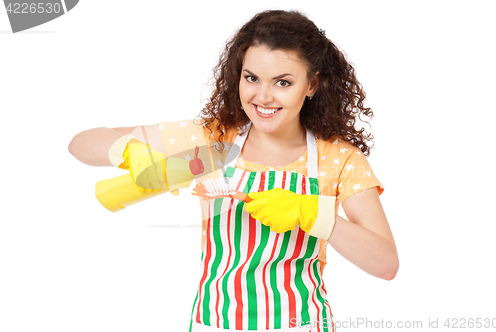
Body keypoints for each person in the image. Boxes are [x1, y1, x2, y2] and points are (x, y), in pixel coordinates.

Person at [68, 9, 398, 332]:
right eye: (251, 77)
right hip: (213, 323)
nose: (263, 96)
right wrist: (128, 150)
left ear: (311, 85)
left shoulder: (336, 159)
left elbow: (385, 264)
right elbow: (81, 143)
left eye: (283, 82)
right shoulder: (213, 141)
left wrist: (311, 212)